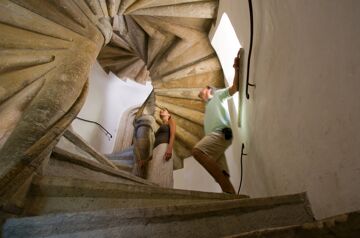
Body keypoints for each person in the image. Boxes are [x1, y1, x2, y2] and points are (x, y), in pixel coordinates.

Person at [192, 49, 243, 194]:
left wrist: (236, 69)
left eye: (202, 90)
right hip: (217, 137)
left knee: (197, 151)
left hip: (221, 133)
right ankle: (233, 199)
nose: (200, 94)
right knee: (223, 176)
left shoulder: (218, 95)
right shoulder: (208, 107)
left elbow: (234, 88)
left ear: (209, 90)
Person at [147, 108, 176, 188]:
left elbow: (172, 135)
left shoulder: (171, 121)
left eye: (164, 110)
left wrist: (169, 149)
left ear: (169, 114)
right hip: (156, 150)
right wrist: (147, 158)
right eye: (160, 111)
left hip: (164, 147)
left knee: (163, 171)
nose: (161, 111)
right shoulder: (161, 126)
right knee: (153, 171)